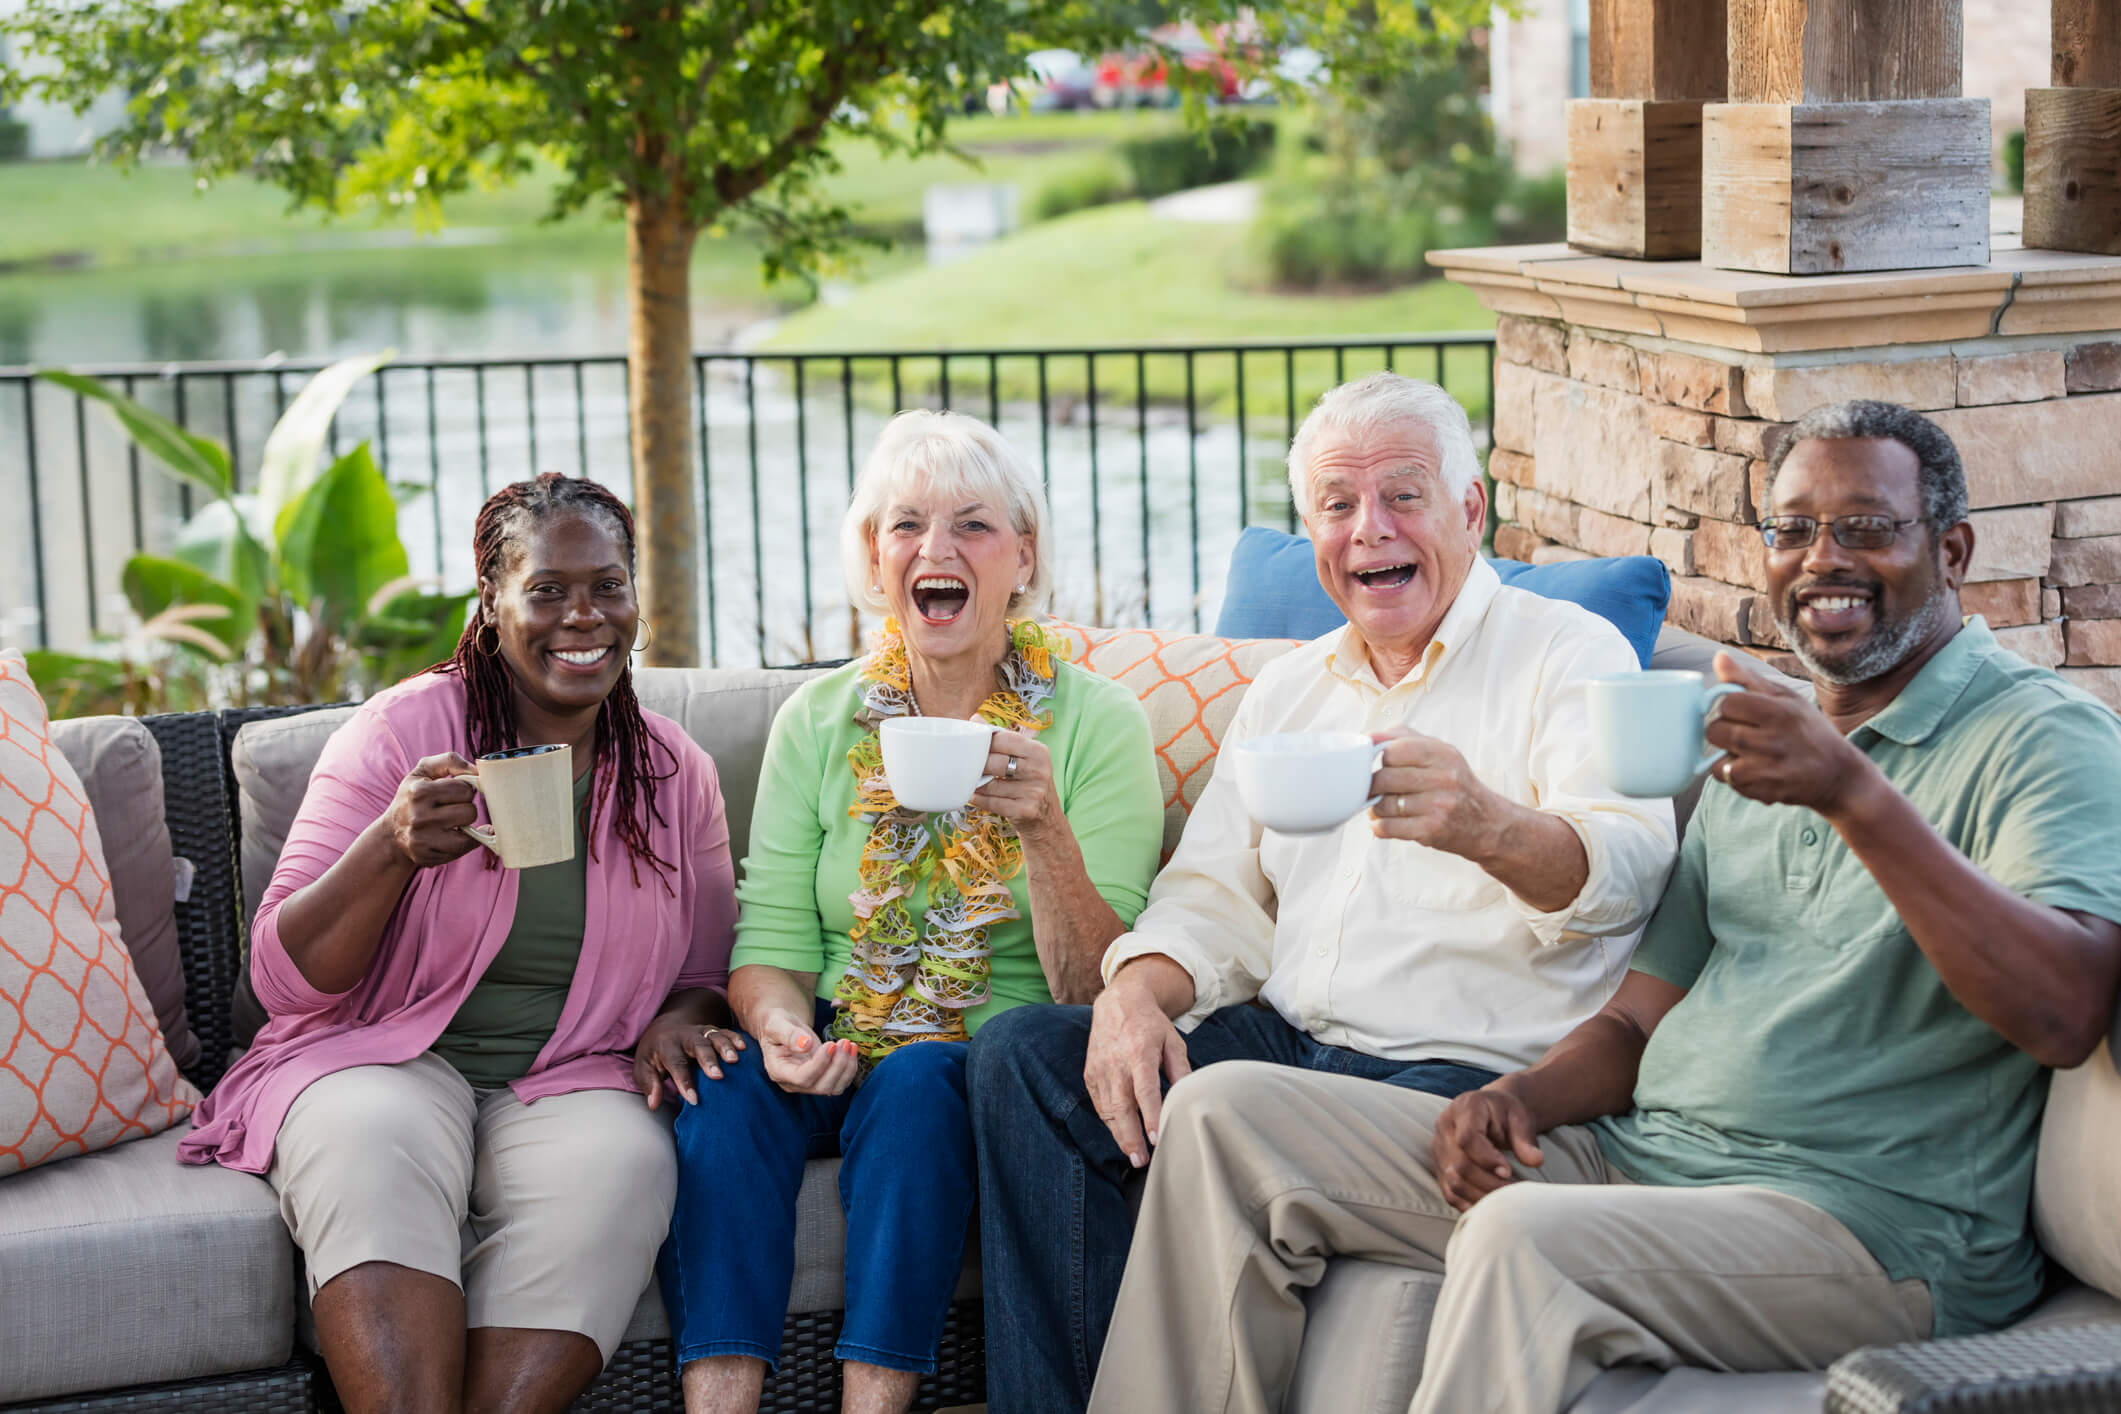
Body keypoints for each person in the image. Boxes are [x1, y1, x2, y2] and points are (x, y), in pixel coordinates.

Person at [1087, 399, 2121, 1414]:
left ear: (1953, 552)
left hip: (1874, 1226)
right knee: (1226, 1117)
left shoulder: (2043, 739)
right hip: (1646, 1159)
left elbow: (2065, 1009)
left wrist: (1854, 796)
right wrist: (1520, 1102)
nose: (1821, 559)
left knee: (1520, 1236)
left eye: (1866, 528)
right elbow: (1635, 1017)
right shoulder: (1765, 742)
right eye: (1793, 529)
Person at [968, 371, 1680, 1413]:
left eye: (1402, 496)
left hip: (1462, 1075)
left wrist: (1492, 826)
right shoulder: (1292, 689)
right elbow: (1214, 895)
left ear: (1469, 508)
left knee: (1215, 1106)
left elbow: (1628, 868)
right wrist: (1130, 993)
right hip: (1288, 1040)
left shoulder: (1568, 656)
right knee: (1024, 1059)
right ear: (1311, 532)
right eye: (1339, 506)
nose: (1369, 531)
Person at [179, 474, 741, 1414]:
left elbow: (702, 971)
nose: (583, 617)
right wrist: (388, 852)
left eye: (607, 585)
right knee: (368, 1138)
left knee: (625, 1163)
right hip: (381, 1055)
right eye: (548, 590)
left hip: (570, 1073)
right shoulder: (402, 731)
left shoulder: (672, 772)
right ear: (493, 599)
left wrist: (682, 1020)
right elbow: (281, 981)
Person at [660, 410, 1166, 1414]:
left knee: (925, 1078)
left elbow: (1095, 982)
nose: (937, 549)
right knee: (726, 1092)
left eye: (974, 525)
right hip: (848, 1036)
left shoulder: (1097, 723)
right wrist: (780, 1028)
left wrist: (1044, 832)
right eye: (907, 525)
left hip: (987, 1062)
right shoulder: (820, 719)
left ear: (1023, 557)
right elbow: (769, 942)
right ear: (874, 558)